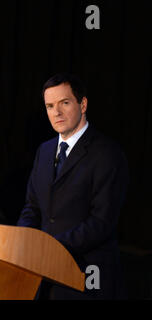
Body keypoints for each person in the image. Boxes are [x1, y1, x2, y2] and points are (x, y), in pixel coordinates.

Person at [16, 73, 129, 299]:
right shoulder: (45, 151)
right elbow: (32, 207)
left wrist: (50, 249)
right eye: (49, 106)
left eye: (64, 103)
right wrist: (24, 242)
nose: (56, 112)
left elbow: (101, 221)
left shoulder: (107, 153)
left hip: (87, 275)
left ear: (83, 104)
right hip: (45, 277)